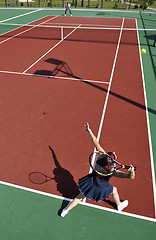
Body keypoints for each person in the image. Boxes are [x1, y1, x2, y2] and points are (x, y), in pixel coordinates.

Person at [61, 123, 135, 217]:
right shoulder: (113, 171)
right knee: (114, 190)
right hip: (101, 187)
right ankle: (119, 206)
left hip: (91, 181)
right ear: (112, 160)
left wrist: (89, 131)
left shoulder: (101, 157)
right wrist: (131, 171)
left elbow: (95, 141)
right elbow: (129, 177)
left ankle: (66, 210)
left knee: (80, 196)